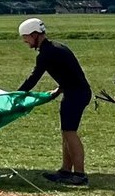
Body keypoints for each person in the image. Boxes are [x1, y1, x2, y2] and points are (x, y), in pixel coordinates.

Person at [18, 18, 93, 185]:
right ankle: (66, 171)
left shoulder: (47, 54)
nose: (25, 41)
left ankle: (79, 174)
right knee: (66, 132)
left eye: (26, 37)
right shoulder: (57, 48)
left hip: (75, 95)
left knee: (70, 132)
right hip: (74, 92)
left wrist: (17, 95)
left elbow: (33, 78)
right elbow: (68, 73)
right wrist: (59, 89)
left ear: (35, 35)